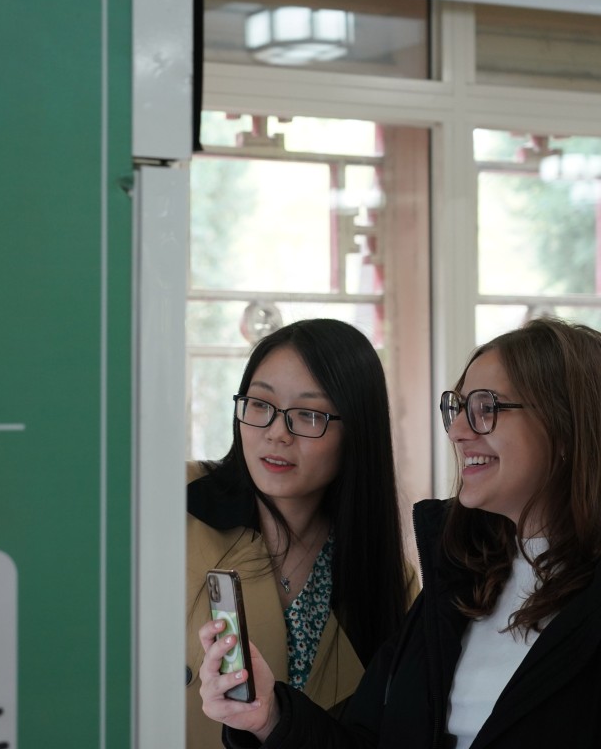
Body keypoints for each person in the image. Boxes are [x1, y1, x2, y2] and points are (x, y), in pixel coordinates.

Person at [198, 316, 601, 749]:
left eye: (487, 408)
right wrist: (272, 716)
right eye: (458, 408)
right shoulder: (456, 587)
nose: (457, 432)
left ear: (567, 427)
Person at [186, 318, 417, 749]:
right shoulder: (170, 502)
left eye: (309, 415)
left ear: (358, 431)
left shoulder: (389, 581)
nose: (276, 433)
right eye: (259, 404)